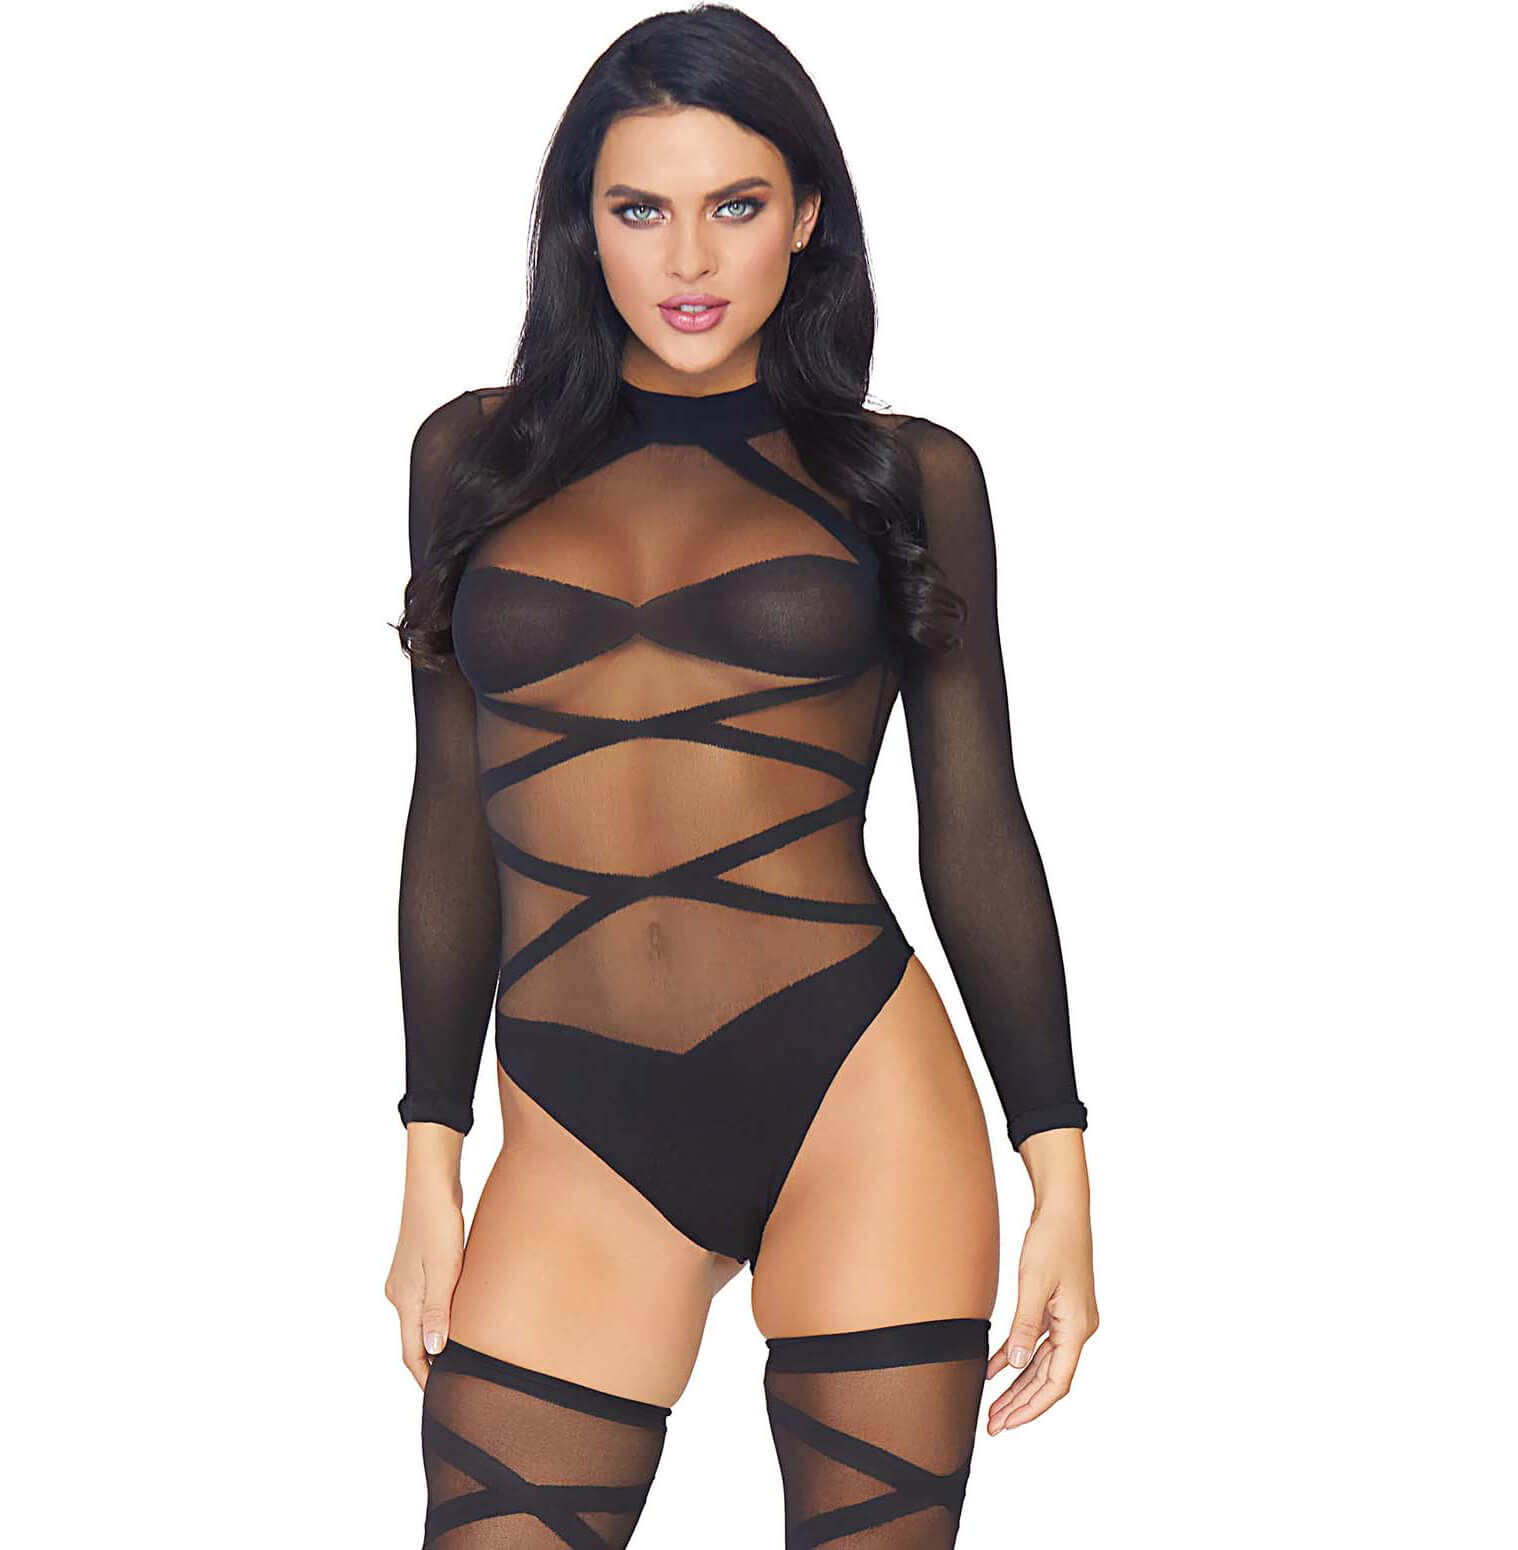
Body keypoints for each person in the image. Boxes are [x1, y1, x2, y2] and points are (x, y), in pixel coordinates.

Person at [385, 8, 1097, 1545]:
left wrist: (1060, 1165)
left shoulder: (906, 475)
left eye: (736, 204)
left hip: (856, 1090)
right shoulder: (472, 459)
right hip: (572, 1125)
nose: (690, 259)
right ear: (581, 226)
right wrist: (429, 1149)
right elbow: (449, 814)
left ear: (807, 215)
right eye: (639, 209)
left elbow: (975, 825)